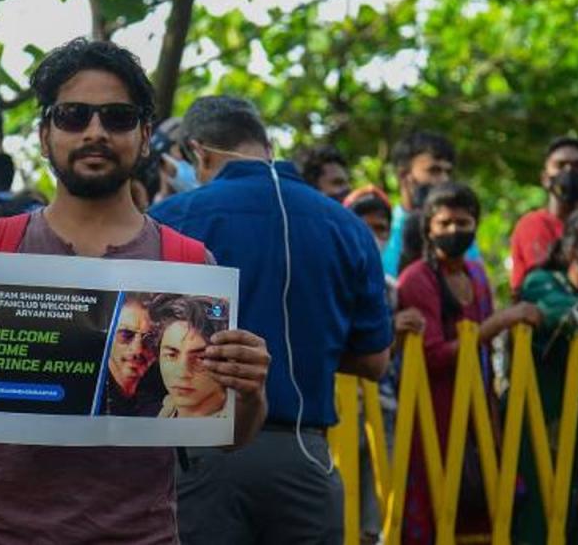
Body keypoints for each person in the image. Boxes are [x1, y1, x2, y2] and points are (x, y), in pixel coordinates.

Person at [0, 38, 270, 544]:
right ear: (44, 133)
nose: (95, 131)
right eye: (74, 115)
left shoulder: (187, 264)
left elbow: (229, 436)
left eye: (117, 117)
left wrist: (249, 390)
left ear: (143, 136)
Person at [149, 95, 392, 544]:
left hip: (199, 458)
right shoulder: (347, 225)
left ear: (198, 153)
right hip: (305, 455)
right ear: (267, 145)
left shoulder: (169, 220)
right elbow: (375, 361)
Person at [396, 182, 541, 543]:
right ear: (429, 227)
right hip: (432, 414)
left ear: (475, 224)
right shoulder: (417, 279)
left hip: (478, 412)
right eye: (444, 224)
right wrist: (497, 324)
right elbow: (431, 357)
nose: (453, 231)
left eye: (462, 223)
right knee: (433, 515)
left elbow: (483, 362)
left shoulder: (476, 273)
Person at [512, 209, 578, 545]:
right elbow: (561, 312)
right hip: (543, 420)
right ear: (573, 249)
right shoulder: (542, 281)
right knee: (539, 517)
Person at [344, 185, 426, 545]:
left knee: (377, 520)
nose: (374, 236)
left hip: (385, 406)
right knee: (340, 512)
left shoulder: (391, 288)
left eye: (382, 228)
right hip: (340, 413)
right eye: (366, 225)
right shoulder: (331, 277)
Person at [383, 131, 480, 278]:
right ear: (403, 175)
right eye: (434, 171)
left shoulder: (457, 229)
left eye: (448, 172)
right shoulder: (383, 228)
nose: (444, 180)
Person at [510, 136, 578, 293]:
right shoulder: (533, 224)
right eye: (560, 165)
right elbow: (546, 279)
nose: (569, 171)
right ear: (545, 178)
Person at [151, 295, 228, 418]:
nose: (182, 373)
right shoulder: (157, 412)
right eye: (171, 355)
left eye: (201, 358)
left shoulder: (238, 422)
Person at [104, 293, 163, 416]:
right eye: (126, 335)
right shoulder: (88, 393)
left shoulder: (164, 398)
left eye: (150, 339)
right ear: (107, 335)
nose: (138, 349)